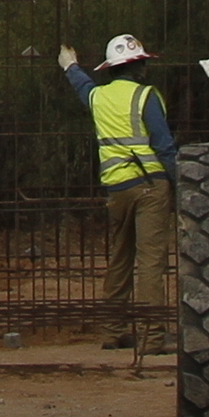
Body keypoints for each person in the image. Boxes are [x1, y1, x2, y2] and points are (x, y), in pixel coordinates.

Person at [61, 33, 176, 349]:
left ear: (110, 68)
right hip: (151, 185)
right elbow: (164, 146)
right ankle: (153, 337)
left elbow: (82, 87)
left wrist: (69, 65)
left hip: (116, 188)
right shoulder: (146, 96)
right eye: (141, 64)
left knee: (121, 258)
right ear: (138, 67)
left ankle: (113, 331)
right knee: (150, 262)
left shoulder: (98, 97)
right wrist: (181, 184)